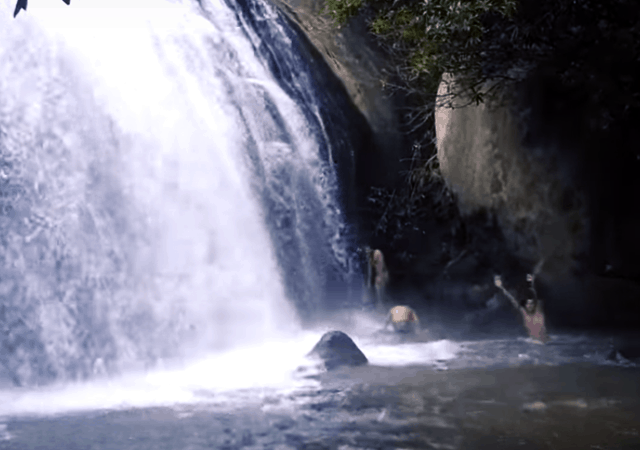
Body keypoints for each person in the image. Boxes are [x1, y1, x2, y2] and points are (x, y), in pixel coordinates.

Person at [494, 273, 549, 343]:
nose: (530, 305)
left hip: (543, 340)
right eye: (528, 304)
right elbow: (511, 298)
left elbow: (533, 294)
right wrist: (501, 287)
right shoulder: (523, 310)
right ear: (526, 305)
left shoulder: (536, 309)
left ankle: (529, 281)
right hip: (535, 341)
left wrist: (530, 283)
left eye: (531, 304)